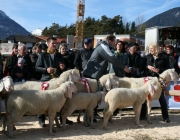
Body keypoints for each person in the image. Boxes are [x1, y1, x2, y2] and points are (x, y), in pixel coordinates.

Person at [83, 35, 129, 121]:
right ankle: (87, 117)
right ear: (110, 41)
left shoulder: (106, 46)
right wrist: (123, 67)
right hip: (91, 75)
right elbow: (112, 58)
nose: (115, 43)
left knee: (94, 97)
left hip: (95, 75)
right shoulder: (103, 46)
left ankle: (92, 115)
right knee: (88, 97)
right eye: (115, 41)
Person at [35, 37, 72, 127]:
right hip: (46, 80)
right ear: (48, 44)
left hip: (57, 81)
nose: (55, 45)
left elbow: (63, 68)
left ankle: (63, 118)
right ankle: (41, 119)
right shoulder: (42, 55)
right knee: (43, 100)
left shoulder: (59, 55)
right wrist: (46, 70)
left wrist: (62, 67)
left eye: (56, 43)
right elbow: (37, 68)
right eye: (53, 43)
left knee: (61, 100)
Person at [141, 43, 170, 123]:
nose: (150, 50)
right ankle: (143, 116)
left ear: (156, 49)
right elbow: (142, 66)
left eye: (152, 49)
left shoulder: (164, 57)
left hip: (159, 80)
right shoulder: (147, 57)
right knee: (145, 98)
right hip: (148, 80)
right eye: (150, 49)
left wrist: (159, 70)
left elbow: (167, 69)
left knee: (162, 99)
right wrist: (147, 67)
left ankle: (166, 117)